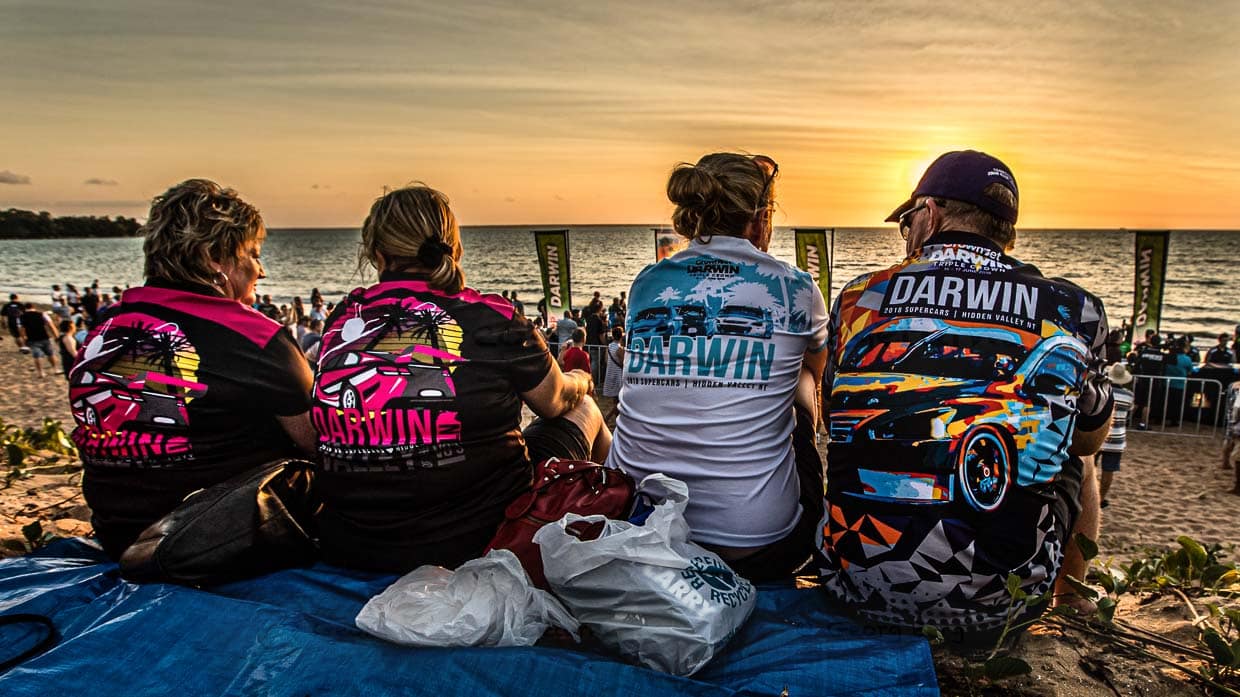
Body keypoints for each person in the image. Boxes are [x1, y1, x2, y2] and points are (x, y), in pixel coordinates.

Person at [818, 151, 1113, 643]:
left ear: (930, 213)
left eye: (907, 222)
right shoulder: (1073, 307)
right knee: (1079, 460)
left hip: (850, 587)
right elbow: (1090, 438)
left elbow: (832, 418)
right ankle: (1071, 599)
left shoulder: (858, 296)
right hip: (1000, 609)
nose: (906, 234)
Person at [309, 184, 609, 573]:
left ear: (377, 253)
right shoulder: (492, 317)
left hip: (353, 543)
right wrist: (581, 377)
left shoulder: (345, 318)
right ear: (454, 247)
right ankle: (607, 519)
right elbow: (554, 400)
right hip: (477, 539)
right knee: (586, 410)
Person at [606, 152, 828, 582]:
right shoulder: (795, 287)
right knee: (802, 377)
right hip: (757, 544)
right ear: (761, 218)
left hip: (640, 526)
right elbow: (815, 367)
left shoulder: (648, 282)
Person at [67, 179, 316, 560]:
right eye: (253, 254)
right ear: (215, 257)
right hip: (217, 540)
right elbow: (318, 440)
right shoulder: (252, 337)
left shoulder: (106, 328)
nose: (261, 271)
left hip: (121, 534)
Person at [1099, 363, 1135, 509]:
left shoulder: (1103, 391)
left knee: (1090, 468)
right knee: (1108, 470)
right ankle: (1101, 498)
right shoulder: (1129, 396)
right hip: (1117, 438)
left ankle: (1087, 495)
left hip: (1100, 435)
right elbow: (1130, 410)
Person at [18, 303, 58, 377]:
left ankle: (40, 372)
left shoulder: (21, 317)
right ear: (33, 307)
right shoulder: (42, 314)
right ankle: (55, 369)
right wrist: (56, 336)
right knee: (50, 353)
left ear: (25, 309)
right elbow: (51, 325)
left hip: (32, 338)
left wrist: (24, 338)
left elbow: (21, 329)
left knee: (37, 356)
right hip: (44, 336)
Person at [601, 326, 625, 426]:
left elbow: (606, 360)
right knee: (619, 401)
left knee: (615, 400)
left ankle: (617, 419)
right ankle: (607, 417)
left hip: (610, 373)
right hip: (618, 375)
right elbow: (623, 363)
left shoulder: (609, 347)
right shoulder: (619, 349)